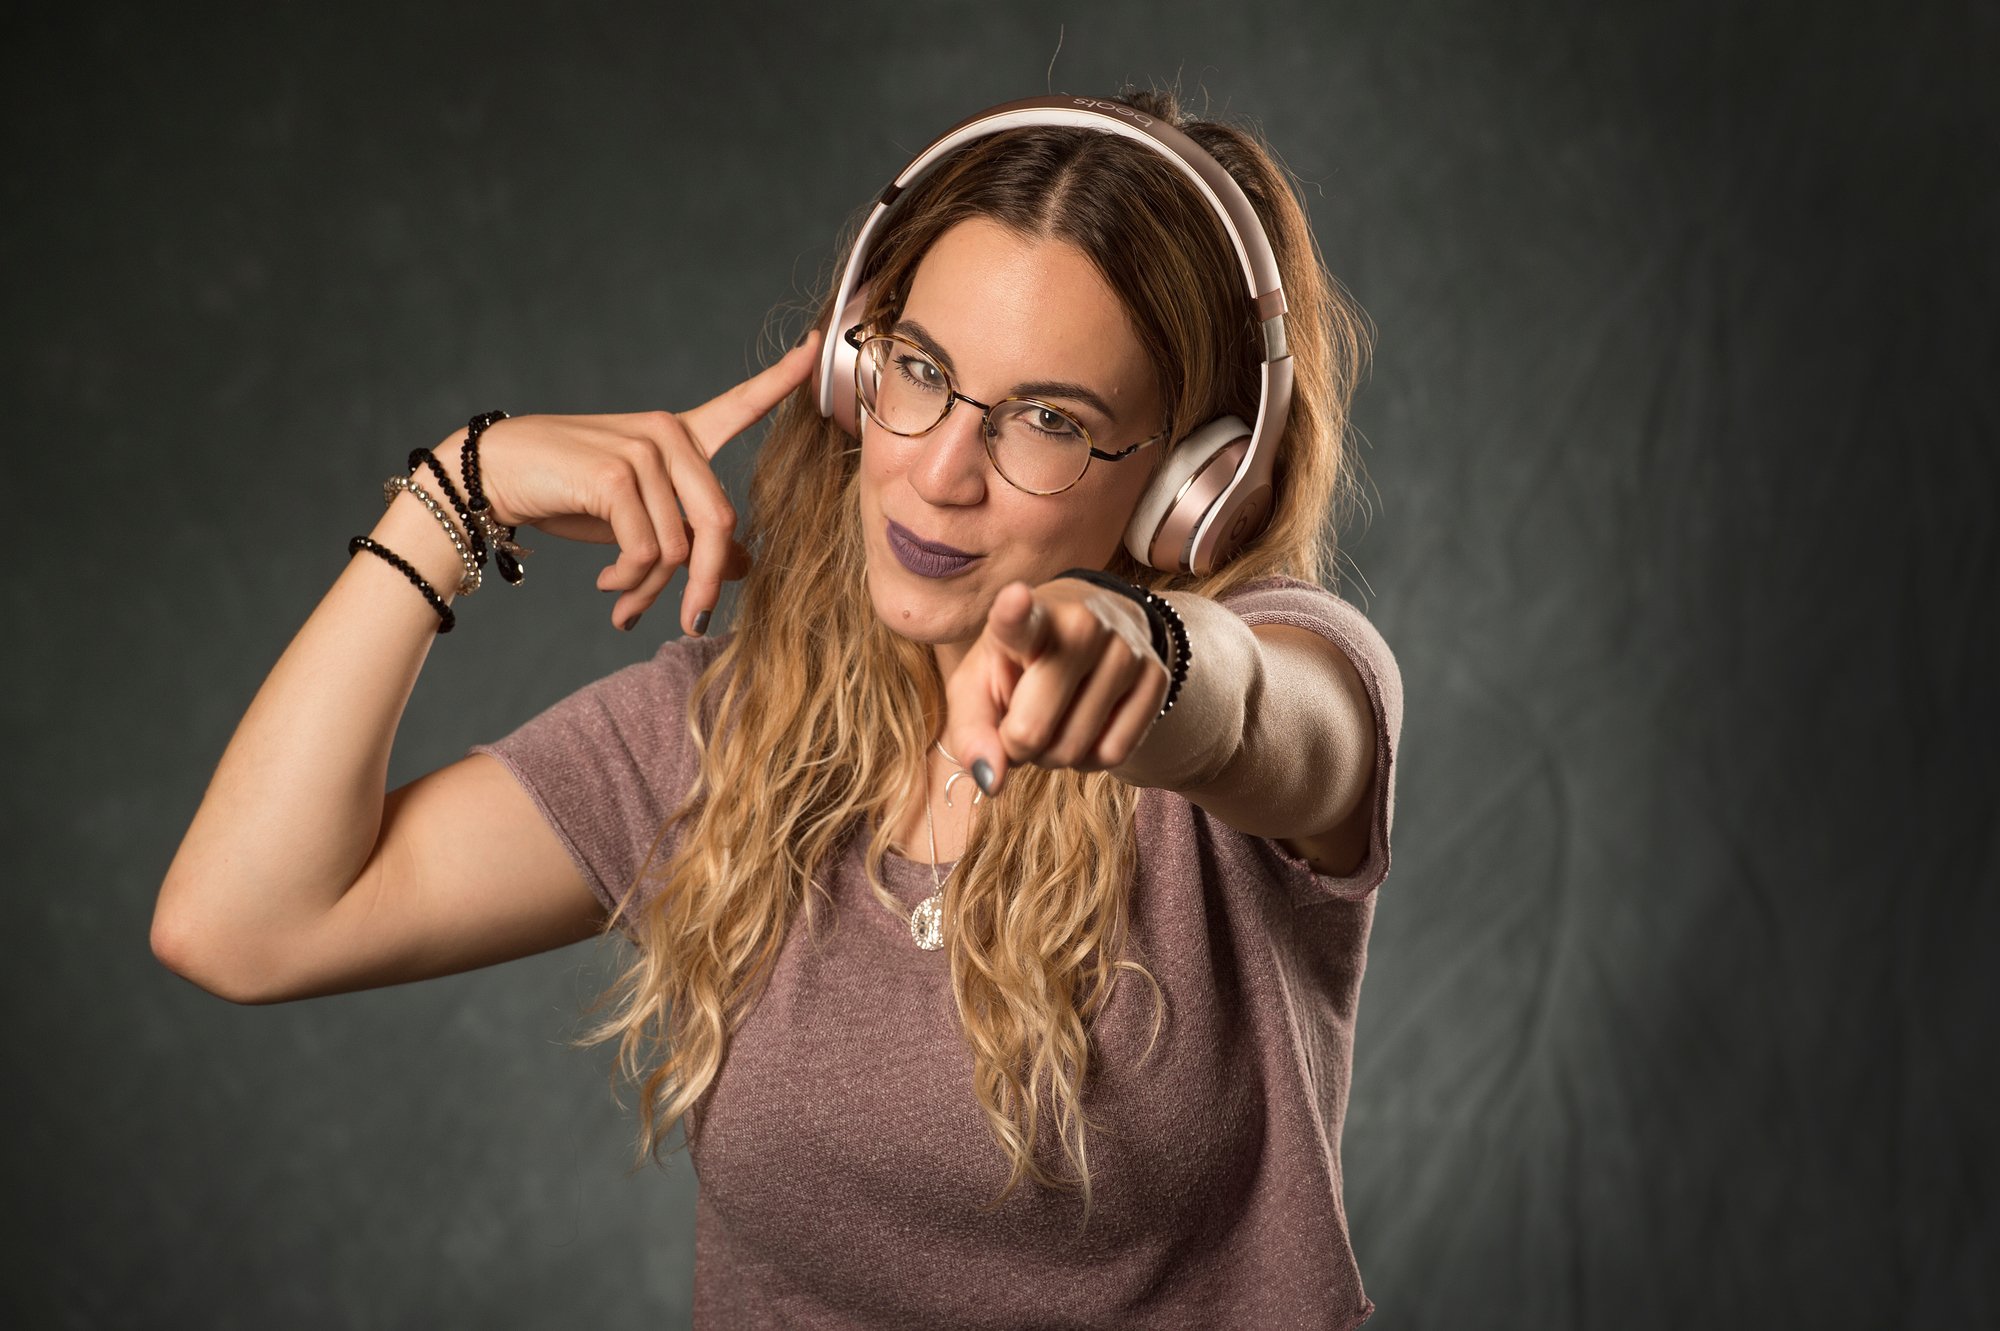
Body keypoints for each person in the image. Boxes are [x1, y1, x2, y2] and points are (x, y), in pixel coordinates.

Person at [152, 85, 1404, 1329]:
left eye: (1047, 421)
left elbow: (1261, 716)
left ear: (1195, 485)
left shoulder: (1288, 675)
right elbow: (246, 921)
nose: (939, 469)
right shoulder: (727, 735)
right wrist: (452, 493)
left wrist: (1141, 656)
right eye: (918, 370)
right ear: (857, 368)